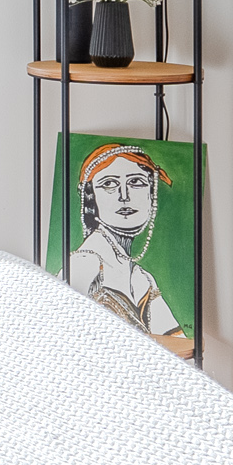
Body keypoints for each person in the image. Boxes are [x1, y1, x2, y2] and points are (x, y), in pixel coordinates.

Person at [64, 143, 181, 343]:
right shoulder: (85, 263)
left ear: (151, 194)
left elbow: (178, 346)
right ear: (91, 198)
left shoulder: (141, 278)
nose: (124, 196)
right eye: (109, 184)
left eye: (136, 182)